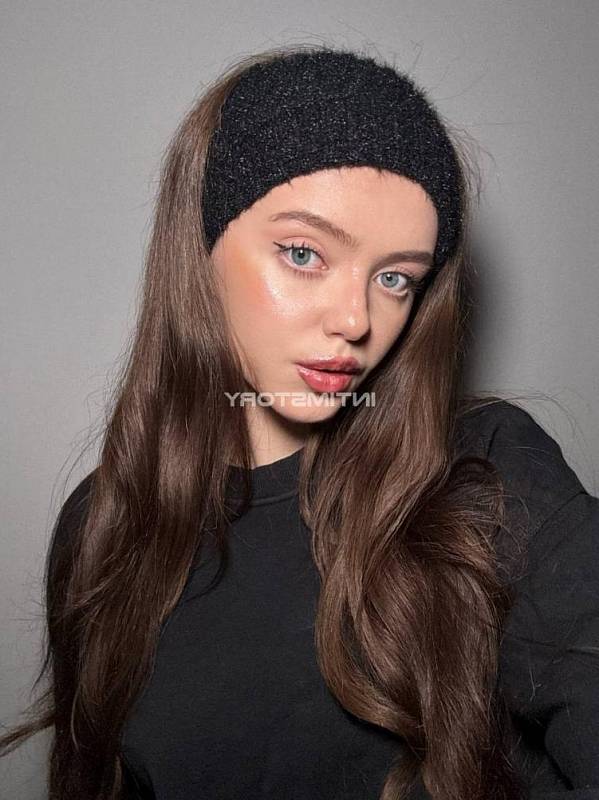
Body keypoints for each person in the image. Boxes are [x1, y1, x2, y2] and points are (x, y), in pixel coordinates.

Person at [1, 43, 598, 800]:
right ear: (201, 247)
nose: (356, 319)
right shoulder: (100, 523)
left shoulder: (484, 472)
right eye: (303, 253)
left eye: (394, 278)